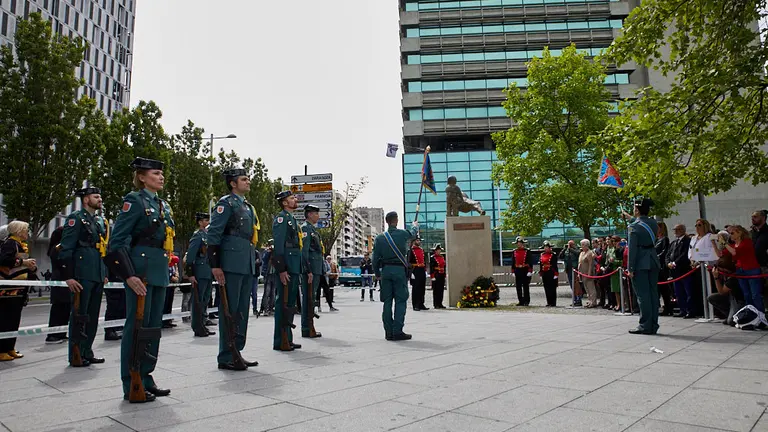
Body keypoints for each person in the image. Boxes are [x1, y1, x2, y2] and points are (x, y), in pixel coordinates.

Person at [105, 157, 174, 402]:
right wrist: (129, 275)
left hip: (158, 270)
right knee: (136, 328)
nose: (161, 177)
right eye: (156, 173)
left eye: (162, 173)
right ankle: (131, 381)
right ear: (142, 177)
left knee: (153, 328)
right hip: (140, 272)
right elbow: (117, 242)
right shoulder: (134, 201)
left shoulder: (163, 205)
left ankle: (146, 376)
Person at [207, 168, 260, 370]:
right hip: (230, 262)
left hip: (245, 262)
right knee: (229, 310)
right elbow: (214, 235)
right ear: (233, 183)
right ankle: (226, 354)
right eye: (244, 179)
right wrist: (216, 265)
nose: (248, 182)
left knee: (241, 311)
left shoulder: (247, 207)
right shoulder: (225, 203)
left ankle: (237, 350)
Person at [58, 187, 109, 367]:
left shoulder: (99, 221)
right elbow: (66, 249)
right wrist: (69, 276)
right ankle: (76, 353)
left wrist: (104, 272)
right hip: (82, 273)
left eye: (100, 196)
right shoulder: (76, 219)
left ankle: (87, 350)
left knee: (93, 315)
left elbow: (102, 248)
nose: (100, 199)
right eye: (96, 196)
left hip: (96, 273)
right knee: (80, 315)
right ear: (86, 200)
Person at [373, 212, 418, 340]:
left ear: (387, 221)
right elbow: (413, 234)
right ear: (396, 221)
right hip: (399, 270)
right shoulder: (402, 234)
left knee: (387, 302)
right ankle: (397, 331)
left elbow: (375, 259)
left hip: (385, 271)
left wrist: (377, 274)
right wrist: (414, 225)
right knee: (400, 300)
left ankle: (388, 332)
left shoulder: (380, 238)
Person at [272, 190, 303, 351]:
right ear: (284, 202)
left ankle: (287, 338)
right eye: (292, 198)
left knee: (290, 303)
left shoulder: (292, 219)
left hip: (294, 264)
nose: (295, 199)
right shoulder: (281, 218)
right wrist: (282, 268)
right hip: (287, 265)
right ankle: (280, 340)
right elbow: (278, 245)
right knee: (282, 302)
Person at [625, 198, 661, 335]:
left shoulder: (633, 227)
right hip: (652, 259)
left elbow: (632, 249)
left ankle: (644, 325)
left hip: (640, 261)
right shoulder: (653, 223)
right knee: (653, 294)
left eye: (634, 208)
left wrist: (630, 268)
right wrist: (630, 219)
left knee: (642, 295)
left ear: (638, 210)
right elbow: (641, 224)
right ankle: (653, 324)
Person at [0, 221, 35, 361]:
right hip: (9, 290)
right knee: (5, 320)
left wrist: (32, 268)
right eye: (26, 230)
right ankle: (2, 350)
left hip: (19, 289)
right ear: (18, 231)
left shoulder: (20, 245)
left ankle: (10, 347)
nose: (28, 232)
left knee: (14, 320)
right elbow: (3, 260)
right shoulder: (10, 244)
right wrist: (23, 263)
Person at [185, 212, 215, 337]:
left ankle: (203, 324)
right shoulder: (198, 236)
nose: (208, 222)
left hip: (207, 272)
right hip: (200, 272)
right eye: (205, 220)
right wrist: (190, 273)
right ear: (200, 222)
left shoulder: (208, 235)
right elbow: (190, 256)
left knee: (205, 299)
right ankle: (197, 327)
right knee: (198, 300)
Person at [723, 225, 765, 313]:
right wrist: (713, 243)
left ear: (739, 233)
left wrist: (724, 243)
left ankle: (761, 315)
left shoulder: (747, 242)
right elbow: (720, 254)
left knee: (755, 295)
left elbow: (734, 252)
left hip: (751, 269)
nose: (731, 235)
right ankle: (750, 314)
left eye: (732, 233)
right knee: (746, 294)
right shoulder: (733, 245)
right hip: (740, 270)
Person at [300, 204, 324, 338]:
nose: (317, 216)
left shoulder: (313, 229)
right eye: (315, 213)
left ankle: (309, 326)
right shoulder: (305, 229)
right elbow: (304, 252)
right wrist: (308, 270)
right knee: (308, 298)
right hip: (310, 270)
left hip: (316, 269)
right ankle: (307, 327)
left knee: (311, 298)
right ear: (309, 214)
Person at [45, 226, 69, 344]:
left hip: (63, 279)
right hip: (60, 279)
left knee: (65, 308)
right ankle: (52, 335)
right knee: (58, 308)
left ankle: (61, 333)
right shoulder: (58, 248)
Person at [666, 224, 693, 318]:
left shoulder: (687, 241)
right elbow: (668, 254)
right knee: (678, 292)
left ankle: (689, 310)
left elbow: (684, 254)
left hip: (684, 270)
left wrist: (674, 263)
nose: (675, 231)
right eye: (674, 229)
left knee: (687, 291)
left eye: (677, 229)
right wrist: (668, 263)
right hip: (675, 272)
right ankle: (682, 310)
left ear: (682, 230)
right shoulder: (674, 242)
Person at [655, 222, 673, 316]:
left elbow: (664, 252)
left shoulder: (664, 239)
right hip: (656, 266)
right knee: (659, 289)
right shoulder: (656, 240)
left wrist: (655, 257)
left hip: (661, 267)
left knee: (664, 289)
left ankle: (668, 307)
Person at [408, 238, 428, 310]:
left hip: (422, 269)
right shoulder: (411, 251)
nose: (418, 242)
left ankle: (421, 304)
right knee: (416, 288)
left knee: (422, 288)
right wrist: (411, 272)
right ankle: (415, 305)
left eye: (419, 240)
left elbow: (424, 261)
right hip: (415, 270)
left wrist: (425, 270)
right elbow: (409, 262)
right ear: (413, 242)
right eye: (417, 240)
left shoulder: (421, 250)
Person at [512, 237, 533, 306]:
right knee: (518, 286)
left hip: (525, 270)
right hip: (517, 270)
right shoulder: (514, 251)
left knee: (525, 286)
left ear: (523, 244)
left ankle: (526, 301)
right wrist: (513, 271)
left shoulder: (527, 251)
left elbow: (530, 261)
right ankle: (520, 301)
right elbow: (513, 262)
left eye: (520, 243)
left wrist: (530, 271)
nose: (519, 244)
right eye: (518, 243)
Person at [577, 239, 597, 308]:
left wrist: (589, 274)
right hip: (582, 273)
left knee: (591, 288)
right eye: (581, 245)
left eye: (583, 245)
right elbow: (579, 263)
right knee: (586, 288)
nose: (581, 246)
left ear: (587, 245)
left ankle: (593, 302)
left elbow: (591, 264)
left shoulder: (589, 253)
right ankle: (589, 301)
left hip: (587, 273)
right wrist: (578, 272)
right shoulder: (581, 253)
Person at [539, 241, 559, 307]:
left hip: (551, 272)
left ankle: (553, 303)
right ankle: (548, 302)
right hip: (545, 272)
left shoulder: (553, 255)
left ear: (550, 248)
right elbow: (541, 264)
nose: (546, 248)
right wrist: (541, 272)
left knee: (552, 288)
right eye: (545, 247)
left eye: (547, 247)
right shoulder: (542, 254)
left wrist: (556, 274)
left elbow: (555, 265)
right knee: (546, 288)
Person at [162, 254, 180, 328]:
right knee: (165, 303)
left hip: (171, 285)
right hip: (166, 284)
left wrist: (176, 275)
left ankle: (168, 320)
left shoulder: (172, 264)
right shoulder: (167, 261)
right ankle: (163, 321)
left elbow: (175, 270)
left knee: (169, 303)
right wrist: (172, 277)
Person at [259, 239, 276, 316]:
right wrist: (269, 252)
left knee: (273, 293)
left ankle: (271, 308)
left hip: (274, 274)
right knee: (267, 292)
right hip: (268, 274)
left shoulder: (276, 252)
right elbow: (264, 259)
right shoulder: (266, 252)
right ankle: (265, 309)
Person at [429, 244, 446, 309]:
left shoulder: (442, 257)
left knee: (441, 290)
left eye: (439, 250)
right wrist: (432, 276)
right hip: (436, 274)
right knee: (436, 290)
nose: (439, 251)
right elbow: (431, 268)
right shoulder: (432, 258)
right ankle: (436, 304)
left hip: (441, 274)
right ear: (435, 251)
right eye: (438, 250)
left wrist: (444, 274)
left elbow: (444, 266)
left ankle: (440, 303)